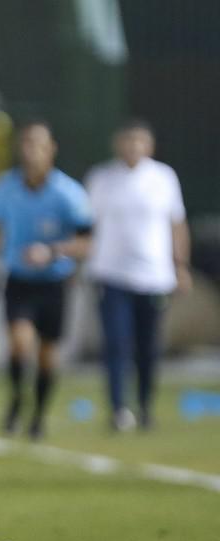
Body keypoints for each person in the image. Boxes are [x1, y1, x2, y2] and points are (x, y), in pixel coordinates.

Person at [0, 120, 92, 440]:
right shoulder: (4, 188)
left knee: (47, 356)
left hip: (54, 283)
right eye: (26, 144)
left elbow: (87, 243)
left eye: (38, 145)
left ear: (51, 149)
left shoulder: (68, 193)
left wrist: (53, 251)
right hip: (19, 280)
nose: (31, 152)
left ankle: (38, 415)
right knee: (19, 345)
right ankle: (16, 398)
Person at [85, 119, 192, 431]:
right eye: (128, 140)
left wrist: (180, 265)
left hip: (154, 276)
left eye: (139, 141)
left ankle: (145, 407)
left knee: (149, 347)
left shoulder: (163, 177)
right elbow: (87, 226)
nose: (133, 147)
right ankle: (119, 409)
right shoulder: (102, 178)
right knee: (117, 343)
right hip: (111, 273)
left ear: (150, 146)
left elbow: (177, 224)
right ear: (118, 144)